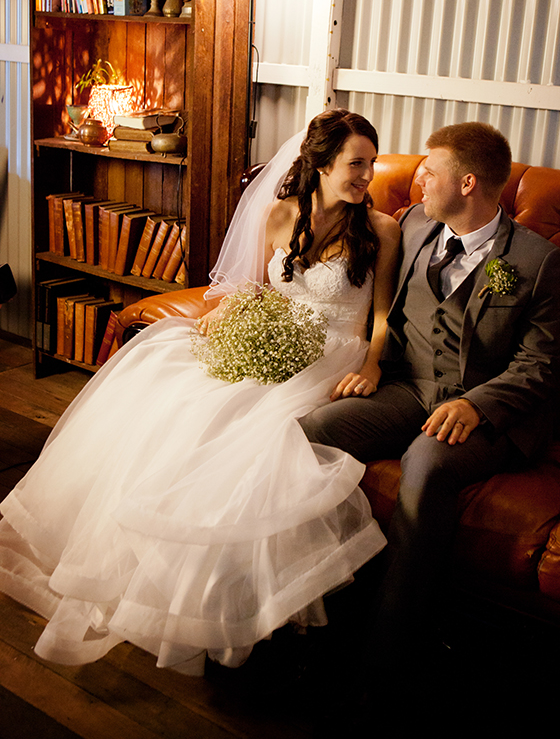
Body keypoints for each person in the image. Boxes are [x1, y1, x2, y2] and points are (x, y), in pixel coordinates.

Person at [0, 110, 400, 675]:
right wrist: (231, 318)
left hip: (332, 354)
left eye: (372, 164)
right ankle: (125, 560)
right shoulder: (280, 215)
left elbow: (379, 317)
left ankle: (209, 597)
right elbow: (256, 291)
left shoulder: (382, 230)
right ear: (321, 165)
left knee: (243, 430)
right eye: (356, 164)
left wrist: (375, 367)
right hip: (271, 340)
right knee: (169, 386)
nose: (367, 175)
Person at [300, 121, 560, 689]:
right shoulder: (414, 223)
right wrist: (368, 364)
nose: (417, 177)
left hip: (483, 410)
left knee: (424, 465)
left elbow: (540, 364)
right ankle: (305, 605)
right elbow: (383, 310)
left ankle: (384, 656)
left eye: (432, 169)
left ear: (468, 183)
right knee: (311, 431)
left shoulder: (538, 261)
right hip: (409, 387)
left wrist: (479, 404)